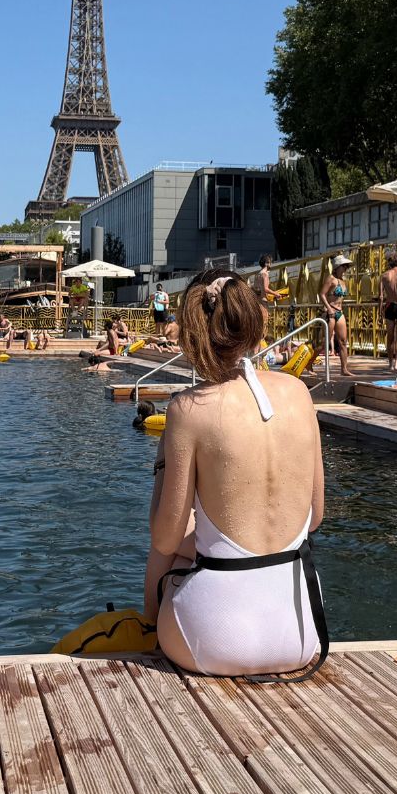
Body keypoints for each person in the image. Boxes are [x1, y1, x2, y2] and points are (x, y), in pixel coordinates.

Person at [145, 269, 326, 678]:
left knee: (167, 550)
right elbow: (314, 517)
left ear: (193, 333)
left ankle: (146, 630)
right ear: (254, 322)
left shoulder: (188, 409)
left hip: (212, 641)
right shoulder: (299, 394)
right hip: (302, 633)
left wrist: (162, 467)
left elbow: (164, 538)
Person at [316, 255, 355, 377]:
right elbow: (322, 294)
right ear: (337, 267)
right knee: (324, 342)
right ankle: (309, 363)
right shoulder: (331, 279)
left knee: (343, 341)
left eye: (346, 266)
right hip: (331, 312)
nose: (346, 269)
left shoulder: (342, 281)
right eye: (344, 266)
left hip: (340, 312)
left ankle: (344, 369)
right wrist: (328, 308)